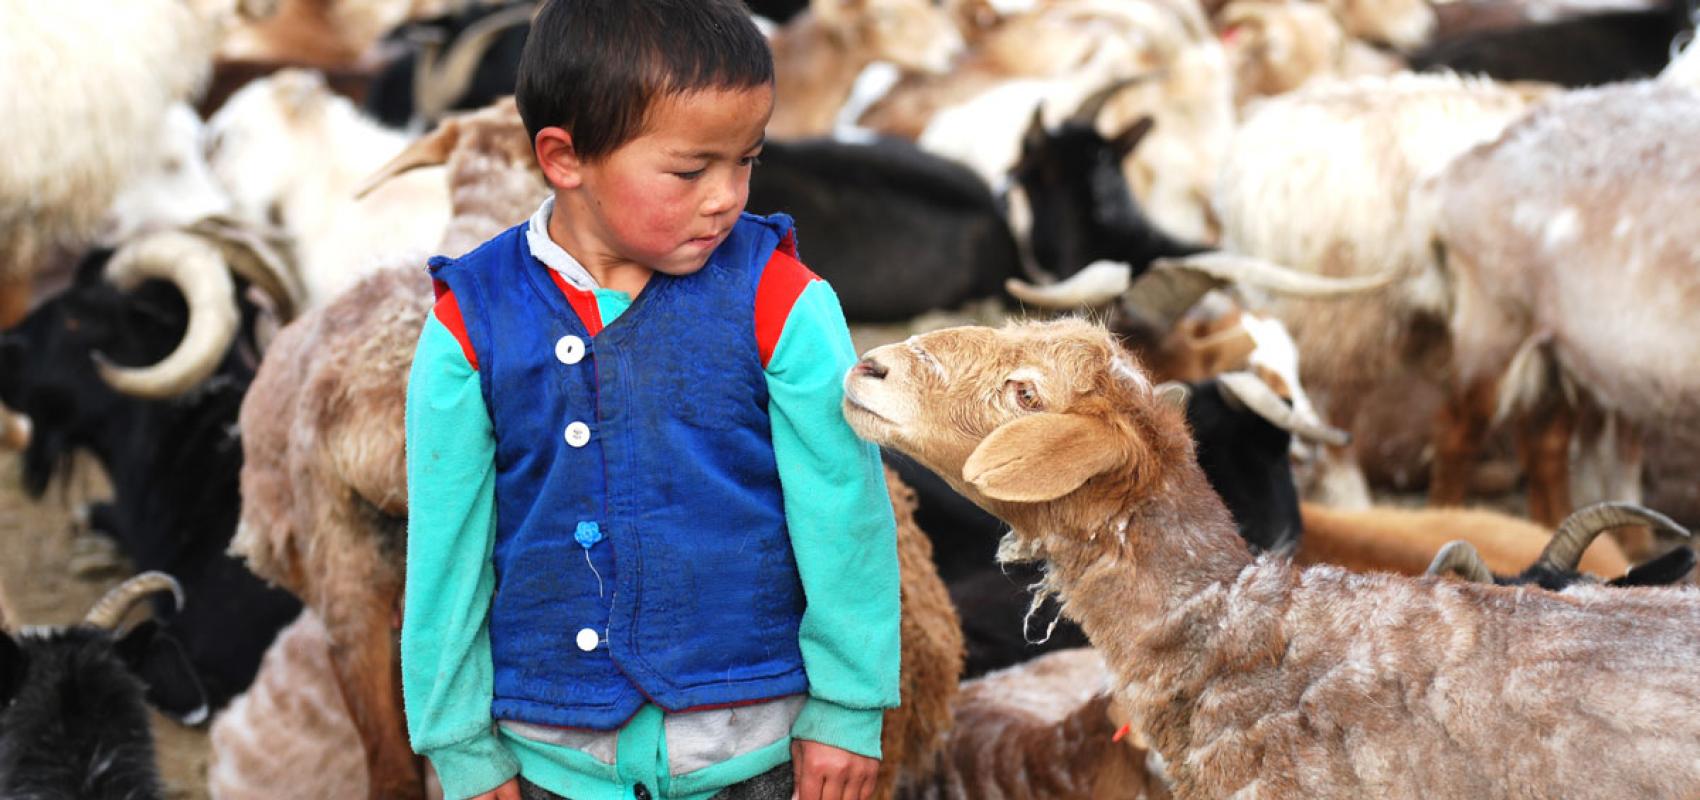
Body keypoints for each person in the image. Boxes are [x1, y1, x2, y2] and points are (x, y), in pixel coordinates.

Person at [399, 2, 902, 799]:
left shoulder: (784, 300)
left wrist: (848, 705)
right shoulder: (470, 322)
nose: (726, 197)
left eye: (746, 161)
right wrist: (458, 743)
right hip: (551, 759)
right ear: (565, 159)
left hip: (749, 752)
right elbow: (446, 550)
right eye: (690, 170)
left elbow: (847, 513)